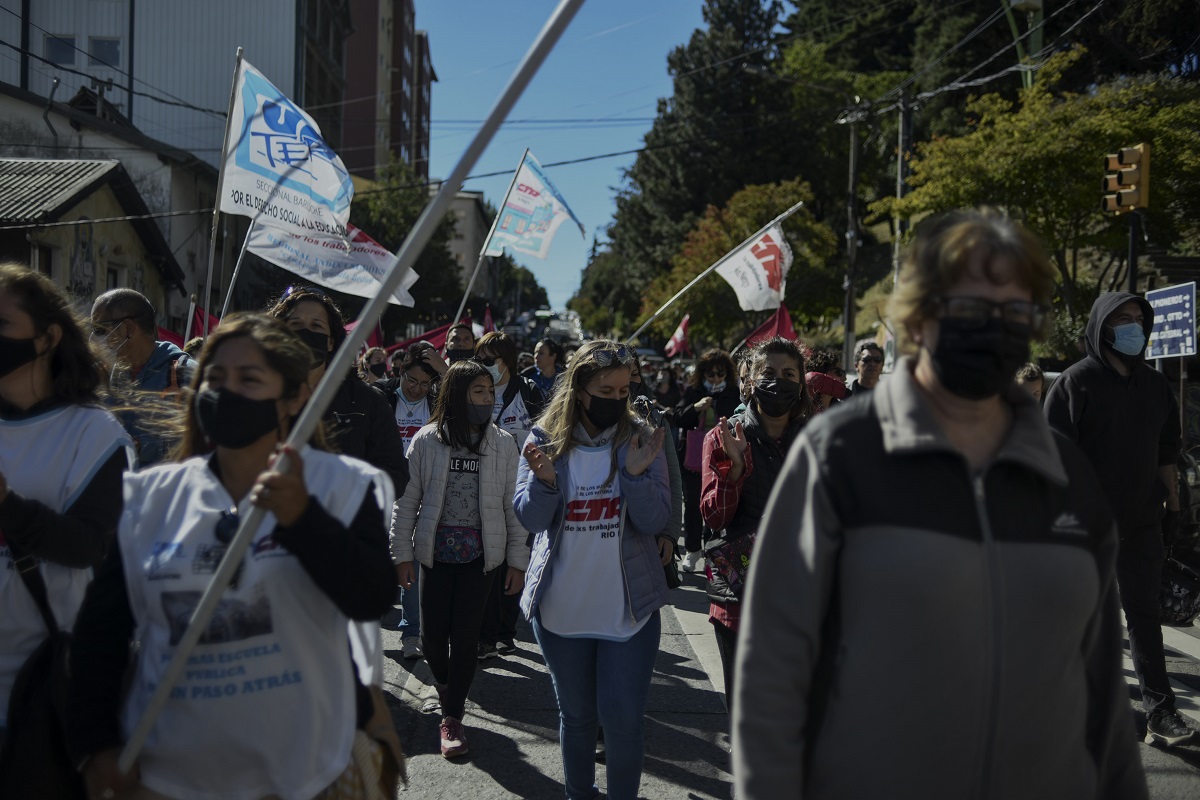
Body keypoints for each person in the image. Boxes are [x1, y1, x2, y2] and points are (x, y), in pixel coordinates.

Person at [735, 209, 1145, 799]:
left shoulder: (1066, 474)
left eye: (1015, 312)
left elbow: (1103, 691)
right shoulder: (840, 455)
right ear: (920, 318)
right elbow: (773, 672)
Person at [66, 313, 398, 800]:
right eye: (214, 378)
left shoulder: (341, 486)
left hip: (305, 773)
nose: (226, 392)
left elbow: (371, 596)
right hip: (169, 777)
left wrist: (303, 518)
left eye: (249, 379)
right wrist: (96, 746)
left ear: (293, 399)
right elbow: (102, 632)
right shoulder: (152, 497)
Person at [515, 340, 670, 800]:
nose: (617, 399)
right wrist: (544, 484)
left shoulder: (642, 436)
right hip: (562, 613)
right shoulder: (543, 438)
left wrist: (637, 478)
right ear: (580, 388)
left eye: (625, 390)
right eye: (606, 389)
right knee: (578, 719)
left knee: (622, 721)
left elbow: (655, 519)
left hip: (629, 614)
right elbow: (529, 518)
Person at [1046, 292, 1194, 746]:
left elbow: (1167, 452)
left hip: (1142, 524)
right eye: (1122, 319)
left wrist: (1174, 510)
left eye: (1138, 319)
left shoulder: (1154, 386)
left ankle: (1161, 714)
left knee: (1145, 618)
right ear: (1101, 327)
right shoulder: (1075, 384)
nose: (1134, 327)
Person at [0, 264, 133, 748]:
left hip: (39, 692)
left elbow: (88, 547)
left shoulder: (94, 435)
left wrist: (7, 505)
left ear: (46, 338)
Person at [391, 360, 528, 759]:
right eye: (479, 392)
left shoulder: (503, 443)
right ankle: (447, 685)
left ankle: (452, 716)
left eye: (490, 392)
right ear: (456, 394)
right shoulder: (426, 440)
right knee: (432, 635)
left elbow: (512, 506)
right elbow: (407, 502)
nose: (487, 399)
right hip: (433, 556)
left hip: (481, 559)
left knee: (465, 636)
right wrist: (400, 554)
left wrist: (517, 562)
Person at [700, 337, 811, 715]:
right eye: (769, 372)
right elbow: (714, 518)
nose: (778, 381)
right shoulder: (725, 436)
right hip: (739, 589)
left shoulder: (818, 437)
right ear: (749, 382)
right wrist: (735, 471)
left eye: (789, 373)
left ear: (801, 384)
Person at [268, 287, 408, 497]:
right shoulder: (258, 396)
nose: (306, 333)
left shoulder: (366, 401)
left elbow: (395, 476)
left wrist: (343, 486)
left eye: (316, 326)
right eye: (295, 324)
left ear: (331, 341)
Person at [474, 331, 547, 659]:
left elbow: (546, 437)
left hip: (518, 490)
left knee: (513, 560)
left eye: (491, 360)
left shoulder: (528, 393)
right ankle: (485, 635)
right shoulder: (471, 390)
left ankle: (505, 631)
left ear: (507, 361)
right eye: (481, 359)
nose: (484, 366)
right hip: (480, 487)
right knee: (486, 561)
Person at [90, 288, 195, 467]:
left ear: (128, 329)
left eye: (99, 330)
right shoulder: (101, 380)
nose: (93, 339)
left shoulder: (186, 377)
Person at [674, 349, 740, 573]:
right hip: (693, 459)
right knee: (692, 504)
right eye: (710, 374)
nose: (715, 379)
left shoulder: (732, 393)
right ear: (702, 373)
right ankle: (692, 551)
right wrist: (697, 407)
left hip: (720, 458)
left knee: (715, 505)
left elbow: (737, 420)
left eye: (720, 374)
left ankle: (711, 551)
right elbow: (678, 416)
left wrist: (718, 406)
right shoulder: (694, 391)